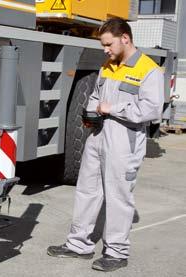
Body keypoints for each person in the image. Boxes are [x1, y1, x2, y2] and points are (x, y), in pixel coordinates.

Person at [47, 18, 164, 272]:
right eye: (103, 45)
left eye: (108, 44)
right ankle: (78, 245)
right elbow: (96, 96)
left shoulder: (149, 70)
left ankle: (116, 252)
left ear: (125, 38)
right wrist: (90, 113)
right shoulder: (108, 66)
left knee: (118, 196)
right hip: (98, 136)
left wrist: (113, 108)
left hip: (125, 140)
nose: (105, 50)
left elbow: (151, 110)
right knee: (86, 190)